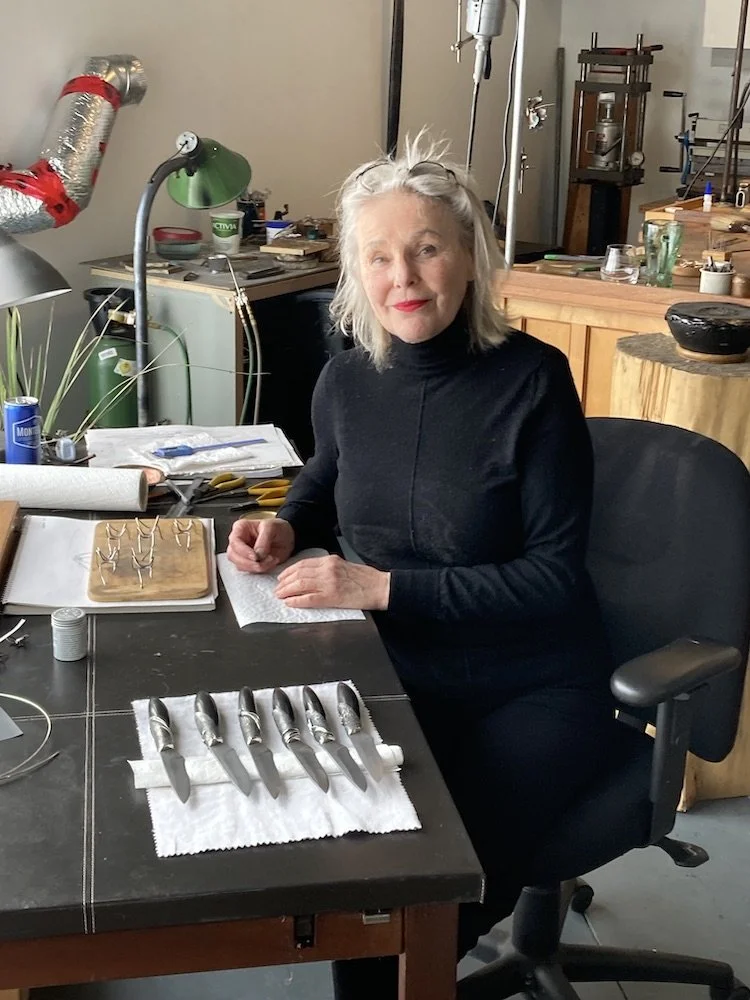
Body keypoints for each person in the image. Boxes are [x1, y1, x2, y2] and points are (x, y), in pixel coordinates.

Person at [227, 134, 617, 998]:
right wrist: (286, 528)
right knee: (352, 886)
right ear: (357, 275)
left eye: (428, 248)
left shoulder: (535, 382)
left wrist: (379, 587)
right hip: (402, 668)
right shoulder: (346, 382)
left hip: (535, 683)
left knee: (425, 900)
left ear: (470, 257)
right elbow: (324, 482)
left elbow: (553, 577)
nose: (404, 276)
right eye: (380, 256)